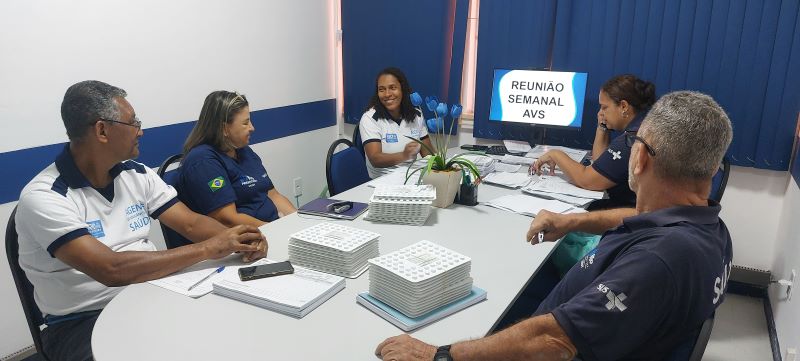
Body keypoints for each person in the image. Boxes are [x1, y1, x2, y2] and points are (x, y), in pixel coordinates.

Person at [375, 91, 734, 361]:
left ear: (639, 157)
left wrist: (439, 354)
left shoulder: (658, 262)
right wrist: (574, 220)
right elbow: (641, 221)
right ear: (711, 170)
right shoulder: (710, 229)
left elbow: (552, 342)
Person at [15, 81, 268, 361]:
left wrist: (238, 240)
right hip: (80, 322)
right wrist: (209, 248)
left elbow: (191, 224)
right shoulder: (44, 197)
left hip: (150, 292)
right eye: (133, 122)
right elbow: (111, 269)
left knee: (230, 330)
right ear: (102, 130)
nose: (141, 131)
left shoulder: (136, 174)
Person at [532, 74, 656, 210]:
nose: (600, 113)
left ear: (623, 106)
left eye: (604, 107)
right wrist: (602, 126)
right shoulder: (643, 126)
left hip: (629, 212)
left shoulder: (631, 142)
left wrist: (554, 154)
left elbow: (587, 180)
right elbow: (600, 165)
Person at [178, 91, 296, 228]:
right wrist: (275, 230)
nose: (252, 128)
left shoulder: (243, 150)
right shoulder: (203, 161)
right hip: (249, 238)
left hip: (272, 226)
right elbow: (227, 219)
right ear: (224, 128)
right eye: (245, 123)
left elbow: (273, 195)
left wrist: (297, 222)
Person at [359, 67, 435, 179]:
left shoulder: (416, 115)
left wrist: (443, 166)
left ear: (403, 90)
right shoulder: (369, 118)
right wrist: (404, 155)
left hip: (411, 176)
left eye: (392, 88)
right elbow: (375, 159)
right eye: (381, 89)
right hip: (381, 181)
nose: (387, 94)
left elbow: (428, 155)